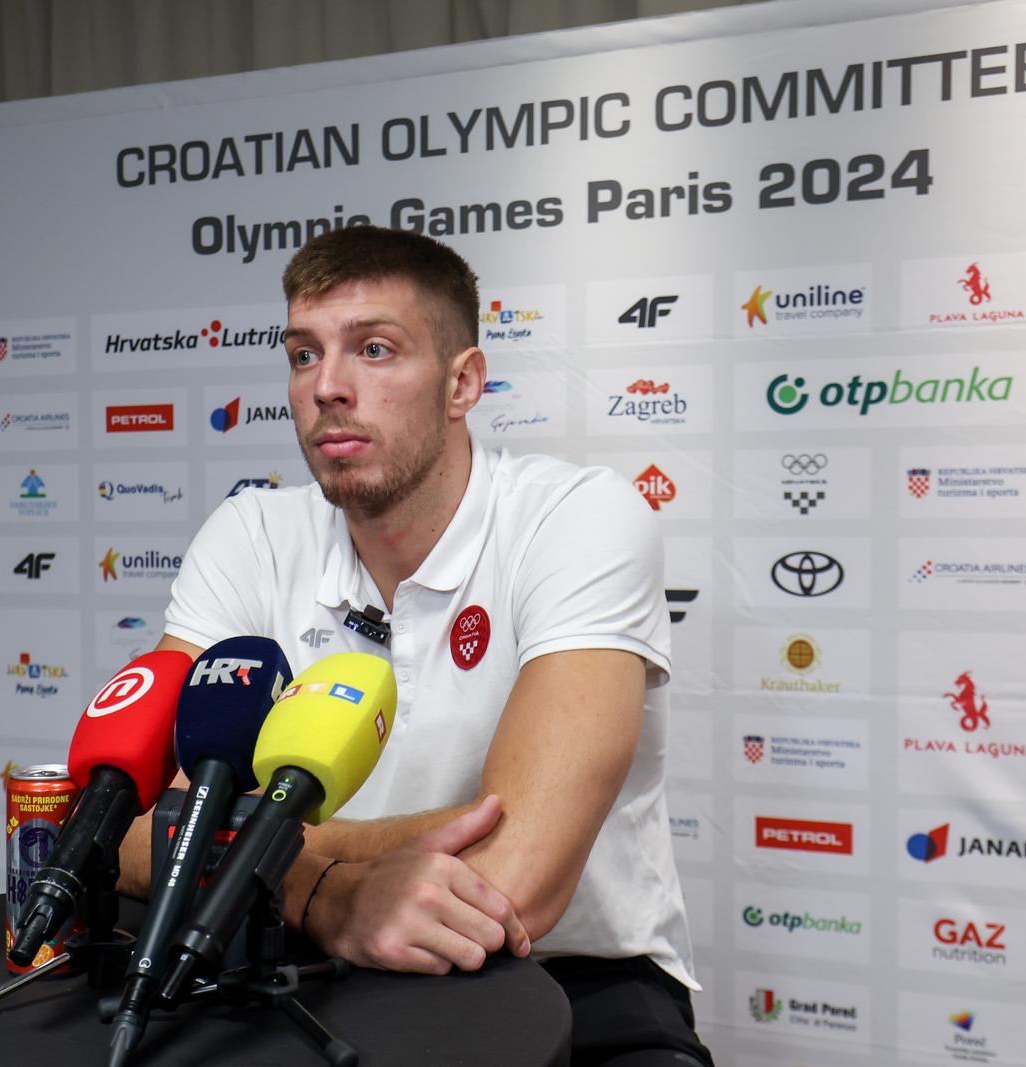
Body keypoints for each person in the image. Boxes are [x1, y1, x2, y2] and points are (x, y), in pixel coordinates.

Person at [119, 226, 711, 1066]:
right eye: (302, 354)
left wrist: (264, 846)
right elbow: (138, 829)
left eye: (375, 349)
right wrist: (328, 894)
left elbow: (516, 878)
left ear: (462, 381)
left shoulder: (578, 518)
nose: (328, 386)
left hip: (567, 975)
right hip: (303, 950)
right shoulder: (250, 533)